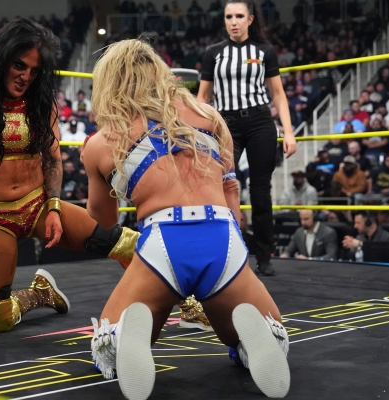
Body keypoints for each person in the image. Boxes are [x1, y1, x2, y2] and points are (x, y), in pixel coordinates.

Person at [83, 39, 290, 400]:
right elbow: (230, 190)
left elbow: (103, 218)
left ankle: (126, 336)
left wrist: (112, 175)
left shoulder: (103, 141)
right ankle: (249, 341)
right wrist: (236, 258)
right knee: (275, 334)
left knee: (106, 349)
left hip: (163, 239)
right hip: (221, 234)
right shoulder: (208, 116)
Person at [0, 19, 138, 333]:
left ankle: (189, 303)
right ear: (2, 60)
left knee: (129, 244)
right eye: (19, 66)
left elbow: (52, 159)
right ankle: (39, 294)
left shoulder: (40, 103)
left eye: (34, 71)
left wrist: (55, 209)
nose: (26, 76)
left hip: (37, 205)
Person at [197, 0, 297, 276]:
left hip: (259, 121)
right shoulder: (214, 52)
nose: (234, 21)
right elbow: (203, 97)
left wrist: (289, 132)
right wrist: (199, 131)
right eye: (229, 16)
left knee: (260, 190)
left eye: (239, 16)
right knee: (221, 186)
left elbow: (278, 94)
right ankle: (226, 253)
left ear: (250, 19)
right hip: (226, 123)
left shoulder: (264, 51)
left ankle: (264, 257)